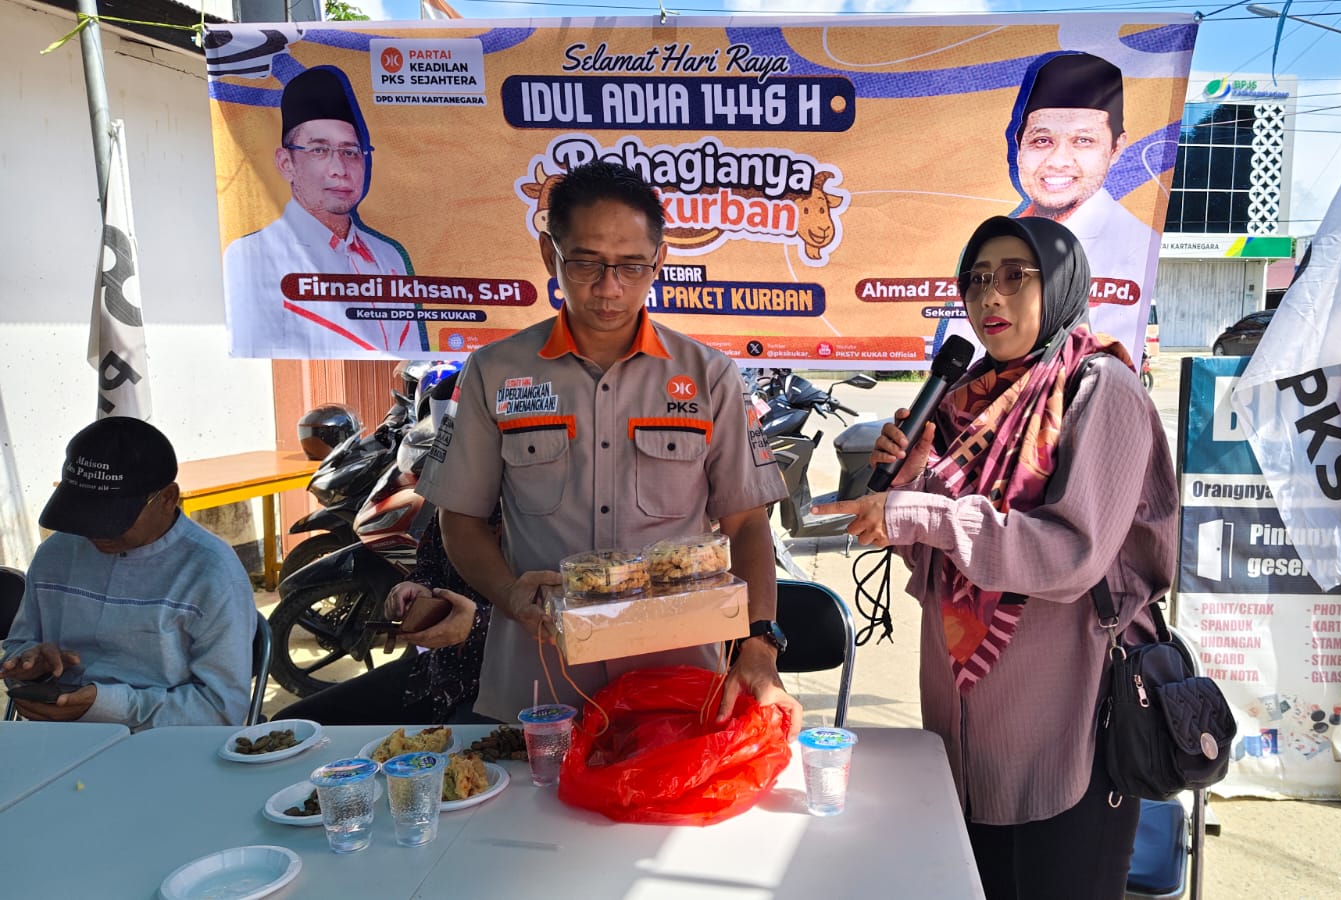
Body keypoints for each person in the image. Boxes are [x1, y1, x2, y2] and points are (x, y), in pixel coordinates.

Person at [815, 216, 1179, 899]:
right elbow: (943, 565)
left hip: (1065, 729)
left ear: (1061, 284)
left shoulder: (1101, 391)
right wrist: (909, 489)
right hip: (964, 730)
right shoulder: (966, 401)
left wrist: (922, 513)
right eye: (978, 279)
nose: (992, 296)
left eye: (1016, 276)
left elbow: (1071, 554)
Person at [417, 160, 801, 735]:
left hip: (674, 683)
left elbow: (746, 523)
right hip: (541, 683)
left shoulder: (709, 376)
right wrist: (509, 594)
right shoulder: (494, 372)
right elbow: (460, 518)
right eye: (586, 263)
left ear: (659, 262)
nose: (609, 287)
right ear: (550, 255)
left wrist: (759, 642)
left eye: (631, 266)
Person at [1, 418, 256, 731]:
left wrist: (108, 706)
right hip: (60, 734)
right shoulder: (56, 553)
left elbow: (222, 710)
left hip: (162, 741)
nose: (95, 532)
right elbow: (19, 648)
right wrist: (31, 667)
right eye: (84, 514)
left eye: (113, 518)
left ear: (167, 498)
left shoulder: (211, 573)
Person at [223, 65, 421, 359]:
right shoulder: (252, 256)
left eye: (350, 152)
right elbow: (256, 358)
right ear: (286, 163)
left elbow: (409, 357)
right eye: (319, 150)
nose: (339, 169)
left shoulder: (388, 257)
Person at [272, 513, 495, 726]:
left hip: (499, 691)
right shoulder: (454, 502)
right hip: (436, 673)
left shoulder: (515, 513)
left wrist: (477, 623)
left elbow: (519, 619)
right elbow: (429, 566)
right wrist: (416, 588)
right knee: (290, 724)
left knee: (460, 751)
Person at [1011, 52, 1157, 290]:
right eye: (1041, 140)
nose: (1058, 161)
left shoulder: (1137, 248)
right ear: (1020, 145)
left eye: (1083, 140)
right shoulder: (997, 239)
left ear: (1115, 148)